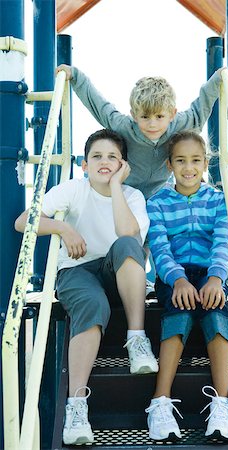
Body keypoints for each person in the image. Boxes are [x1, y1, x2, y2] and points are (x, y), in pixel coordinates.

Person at [15, 129, 158, 446]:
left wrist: (117, 187)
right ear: (84, 163)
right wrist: (62, 227)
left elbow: (130, 237)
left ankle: (136, 338)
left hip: (117, 270)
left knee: (127, 245)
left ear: (123, 165)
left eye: (112, 157)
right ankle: (77, 407)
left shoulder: (132, 196)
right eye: (97, 156)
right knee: (93, 305)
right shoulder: (73, 190)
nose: (104, 162)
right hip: (77, 271)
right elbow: (24, 220)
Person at [55, 64, 224, 295]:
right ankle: (137, 280)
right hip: (128, 191)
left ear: (172, 114)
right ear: (134, 115)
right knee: (132, 239)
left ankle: (163, 279)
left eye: (159, 117)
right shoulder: (124, 126)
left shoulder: (183, 123)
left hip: (159, 193)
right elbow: (99, 106)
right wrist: (76, 76)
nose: (152, 124)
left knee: (159, 234)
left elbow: (202, 104)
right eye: (144, 117)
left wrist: (219, 77)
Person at [145, 130, 228, 443]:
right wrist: (178, 279)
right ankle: (160, 401)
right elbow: (159, 247)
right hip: (174, 275)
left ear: (205, 163)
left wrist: (216, 277)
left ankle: (221, 404)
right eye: (181, 161)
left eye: (195, 160)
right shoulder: (157, 203)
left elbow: (223, 240)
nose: (188, 167)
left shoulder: (219, 200)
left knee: (215, 313)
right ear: (169, 165)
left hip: (210, 273)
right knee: (180, 311)